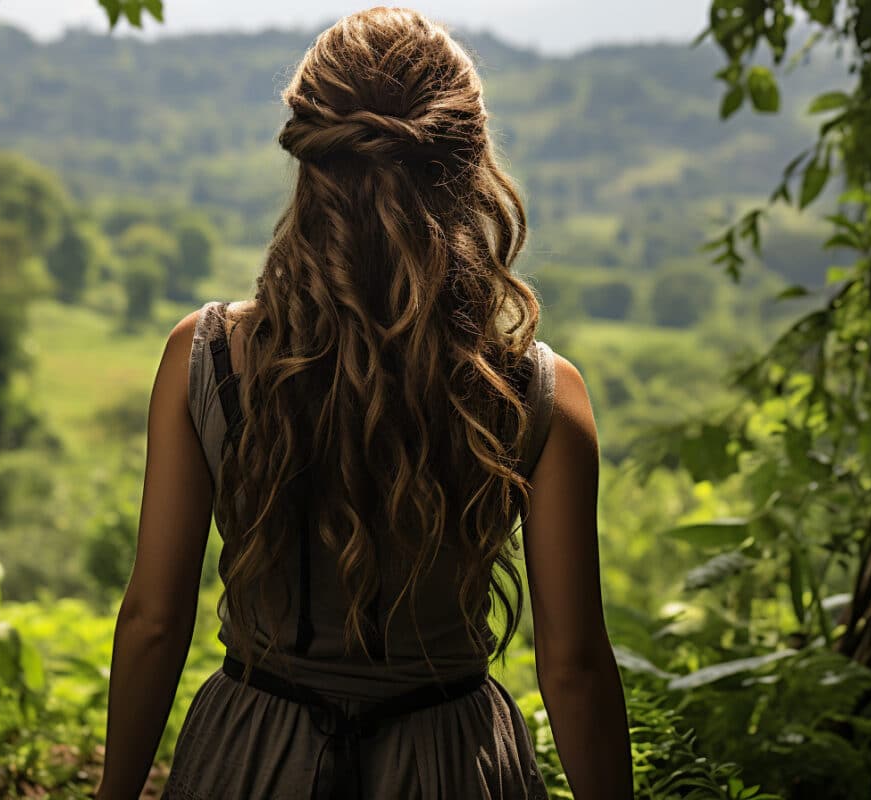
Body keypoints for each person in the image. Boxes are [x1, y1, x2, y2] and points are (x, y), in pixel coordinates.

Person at [95, 7, 633, 799]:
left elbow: (153, 620)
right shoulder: (539, 393)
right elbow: (576, 664)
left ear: (310, 158)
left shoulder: (205, 358)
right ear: (469, 165)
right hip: (451, 763)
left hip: (250, 756)